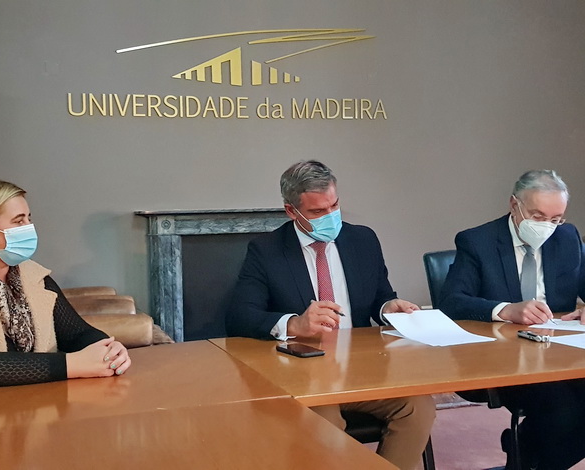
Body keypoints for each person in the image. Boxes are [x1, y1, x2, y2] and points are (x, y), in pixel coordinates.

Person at [227, 160, 435, 470]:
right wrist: (295, 323)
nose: (330, 216)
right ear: (291, 211)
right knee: (326, 426)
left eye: (334, 206)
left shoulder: (363, 240)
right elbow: (240, 316)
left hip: (361, 368)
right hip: (304, 374)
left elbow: (380, 296)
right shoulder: (266, 250)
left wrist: (388, 308)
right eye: (317, 212)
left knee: (418, 407)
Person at [439, 169, 585, 469]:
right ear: (514, 204)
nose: (547, 226)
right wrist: (505, 309)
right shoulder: (477, 241)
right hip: (502, 358)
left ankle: (525, 452)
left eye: (556, 219)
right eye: (537, 216)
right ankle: (528, 454)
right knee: (564, 409)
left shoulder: (567, 237)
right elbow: (451, 301)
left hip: (561, 353)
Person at [0, 179, 131, 387]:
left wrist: (109, 349)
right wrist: (71, 365)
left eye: (29, 218)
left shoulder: (33, 276)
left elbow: (76, 332)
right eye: (18, 221)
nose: (29, 228)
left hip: (40, 400)